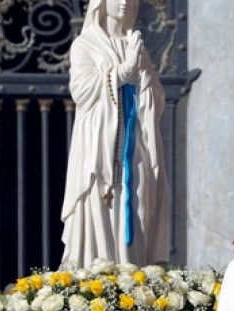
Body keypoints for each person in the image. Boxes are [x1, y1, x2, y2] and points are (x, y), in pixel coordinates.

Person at [60, 0, 169, 268]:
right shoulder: (85, 45)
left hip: (136, 150)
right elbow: (82, 91)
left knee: (141, 207)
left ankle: (136, 280)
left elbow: (157, 98)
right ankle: (97, 284)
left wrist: (141, 76)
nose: (123, 3)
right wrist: (122, 72)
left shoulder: (136, 47)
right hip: (98, 150)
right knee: (100, 212)